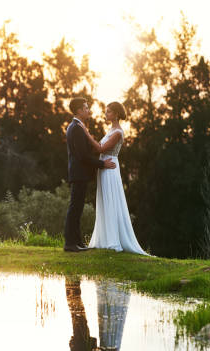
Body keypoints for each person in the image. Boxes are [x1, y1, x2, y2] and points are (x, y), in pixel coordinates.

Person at [78, 102, 150, 256]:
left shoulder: (117, 132)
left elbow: (101, 149)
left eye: (109, 112)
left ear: (116, 114)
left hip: (110, 168)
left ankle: (113, 240)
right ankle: (104, 239)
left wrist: (85, 132)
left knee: (111, 200)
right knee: (105, 200)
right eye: (106, 112)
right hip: (104, 167)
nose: (106, 114)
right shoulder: (111, 129)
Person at [64, 97, 116, 252]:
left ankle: (77, 242)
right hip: (79, 173)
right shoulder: (76, 128)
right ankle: (70, 243)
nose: (89, 110)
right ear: (79, 111)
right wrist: (102, 164)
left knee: (77, 207)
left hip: (79, 173)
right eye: (86, 108)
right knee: (75, 208)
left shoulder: (77, 127)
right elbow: (83, 156)